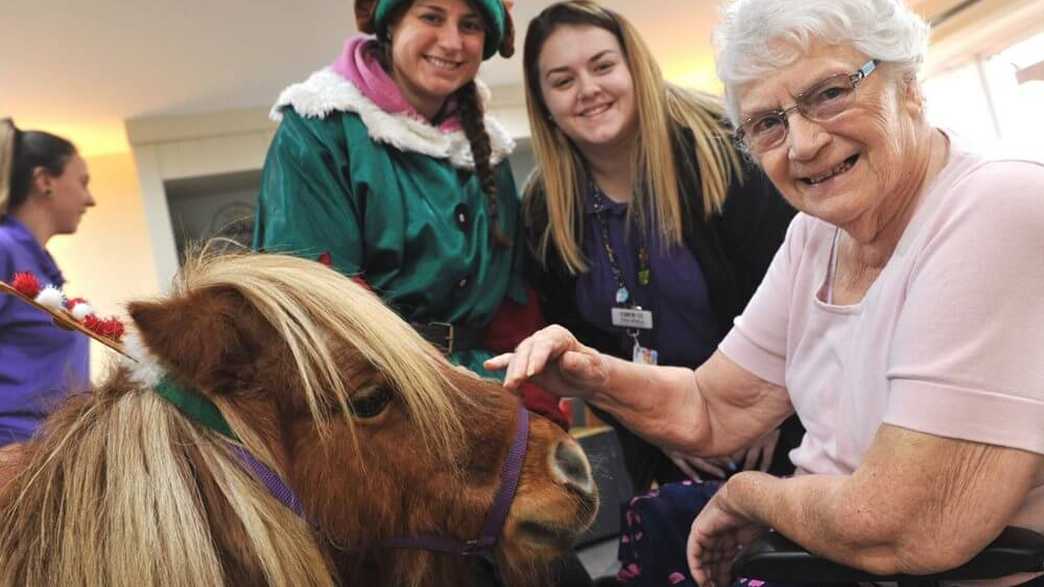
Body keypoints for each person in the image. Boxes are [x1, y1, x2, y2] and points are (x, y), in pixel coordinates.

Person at [488, 0, 1044, 585]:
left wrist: (747, 495)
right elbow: (716, 405)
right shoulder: (815, 233)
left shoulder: (995, 204)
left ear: (907, 83)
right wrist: (587, 372)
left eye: (830, 93)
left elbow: (907, 523)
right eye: (768, 123)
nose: (802, 144)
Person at [252, 1, 587, 584]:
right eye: (431, 16)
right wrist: (452, 394)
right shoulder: (319, 127)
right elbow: (322, 305)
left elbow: (510, 308)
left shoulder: (488, 152)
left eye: (471, 24)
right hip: (374, 424)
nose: (452, 41)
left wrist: (537, 413)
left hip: (476, 398)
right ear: (389, 24)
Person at [519, 0, 801, 493]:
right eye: (563, 81)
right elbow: (581, 352)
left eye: (603, 66)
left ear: (636, 68)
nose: (588, 90)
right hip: (663, 448)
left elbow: (803, 291)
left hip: (778, 426)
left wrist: (767, 409)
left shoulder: (723, 153)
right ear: (544, 104)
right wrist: (658, 424)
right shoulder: (546, 208)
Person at [0, 119, 94, 447]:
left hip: (51, 456)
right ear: (44, 181)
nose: (90, 198)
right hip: (15, 465)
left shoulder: (36, 267)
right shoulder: (4, 249)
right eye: (82, 182)